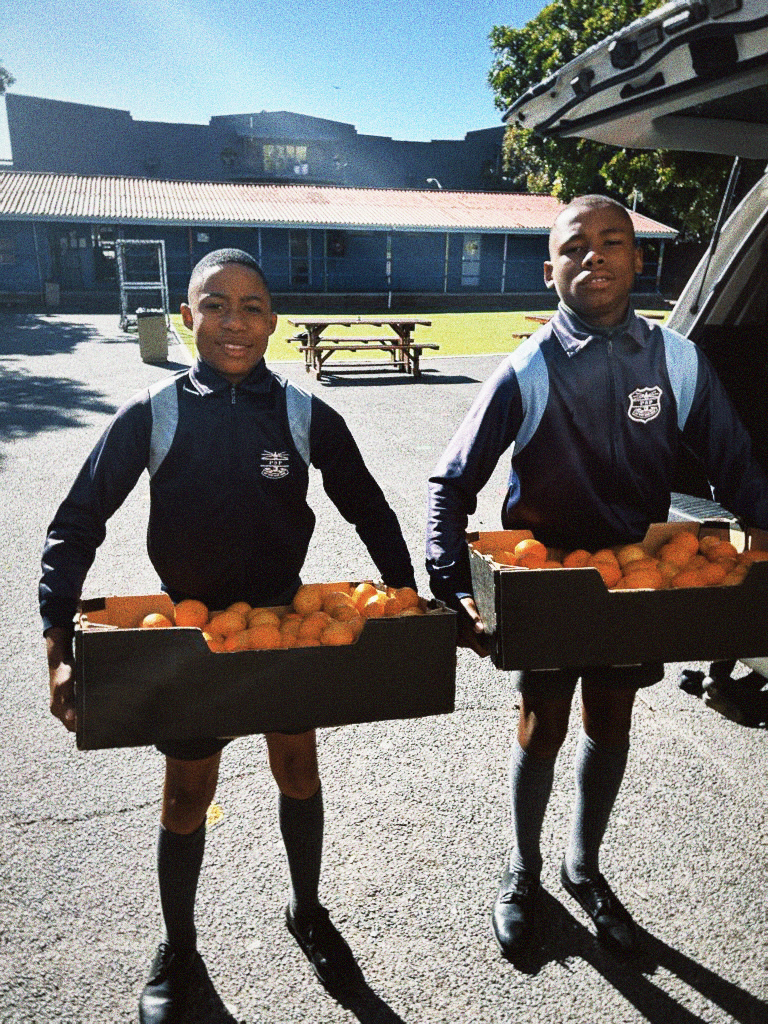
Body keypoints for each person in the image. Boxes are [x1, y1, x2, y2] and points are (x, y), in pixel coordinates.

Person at [41, 249, 418, 1022]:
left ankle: (306, 910)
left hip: (283, 625)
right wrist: (57, 639)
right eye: (215, 304)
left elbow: (368, 506)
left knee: (298, 771)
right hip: (190, 635)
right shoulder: (156, 412)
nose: (234, 322)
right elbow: (77, 521)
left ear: (273, 322)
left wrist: (412, 598)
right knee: (186, 797)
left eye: (251, 307)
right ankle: (179, 947)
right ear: (187, 317)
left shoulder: (304, 413)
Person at [426, 196, 768, 960]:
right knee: (542, 725)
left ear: (639, 259)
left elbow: (735, 462)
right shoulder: (530, 366)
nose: (595, 257)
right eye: (574, 247)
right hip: (546, 586)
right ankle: (524, 872)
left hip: (636, 582)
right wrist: (451, 586)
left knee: (610, 721)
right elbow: (452, 482)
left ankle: (585, 868)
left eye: (613, 242)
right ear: (550, 271)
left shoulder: (675, 358)